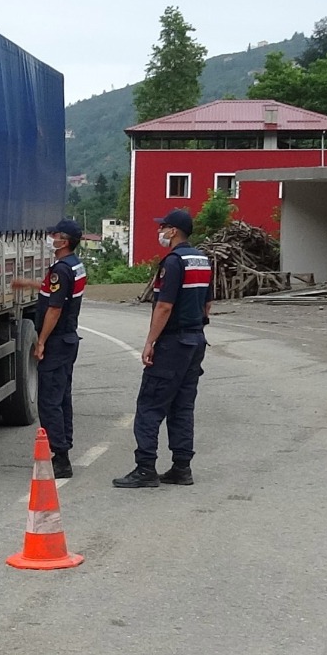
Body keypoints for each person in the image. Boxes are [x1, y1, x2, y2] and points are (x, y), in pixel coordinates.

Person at [114, 209, 212, 488]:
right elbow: (207, 304)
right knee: (182, 406)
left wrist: (150, 341)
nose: (160, 232)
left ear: (173, 231)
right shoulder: (202, 260)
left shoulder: (173, 262)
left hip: (173, 343)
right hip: (196, 340)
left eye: (163, 227)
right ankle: (182, 467)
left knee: (150, 404)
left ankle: (145, 468)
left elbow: (164, 306)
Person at [10, 219, 86, 477]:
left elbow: (55, 308)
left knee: (50, 401)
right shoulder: (74, 265)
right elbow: (55, 291)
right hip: (68, 340)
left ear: (64, 241)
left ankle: (61, 457)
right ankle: (64, 447)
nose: (50, 238)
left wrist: (41, 341)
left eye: (55, 234)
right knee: (62, 397)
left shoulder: (61, 270)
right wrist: (30, 284)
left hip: (57, 341)